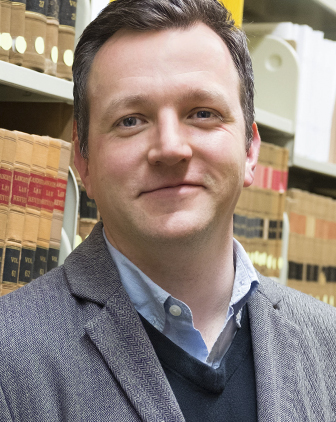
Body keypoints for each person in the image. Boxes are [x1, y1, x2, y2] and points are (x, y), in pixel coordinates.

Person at [1, 0, 336, 420]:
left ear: (251, 150)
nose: (171, 148)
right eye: (130, 121)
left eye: (202, 113)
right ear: (83, 160)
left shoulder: (328, 343)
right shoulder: (9, 357)